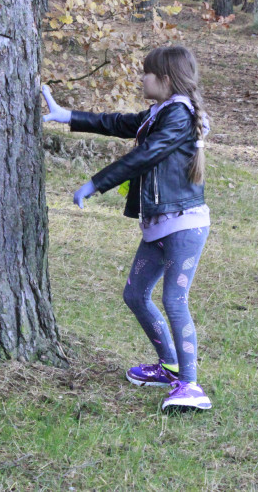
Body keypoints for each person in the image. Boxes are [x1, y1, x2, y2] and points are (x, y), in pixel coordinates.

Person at [42, 45, 213, 410]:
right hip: (160, 224)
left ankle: (191, 386)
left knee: (174, 300)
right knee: (135, 295)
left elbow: (145, 155)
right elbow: (118, 123)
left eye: (146, 73)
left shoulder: (179, 116)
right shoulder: (162, 112)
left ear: (165, 79)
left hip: (184, 225)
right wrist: (67, 115)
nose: (142, 78)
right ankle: (169, 367)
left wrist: (96, 183)